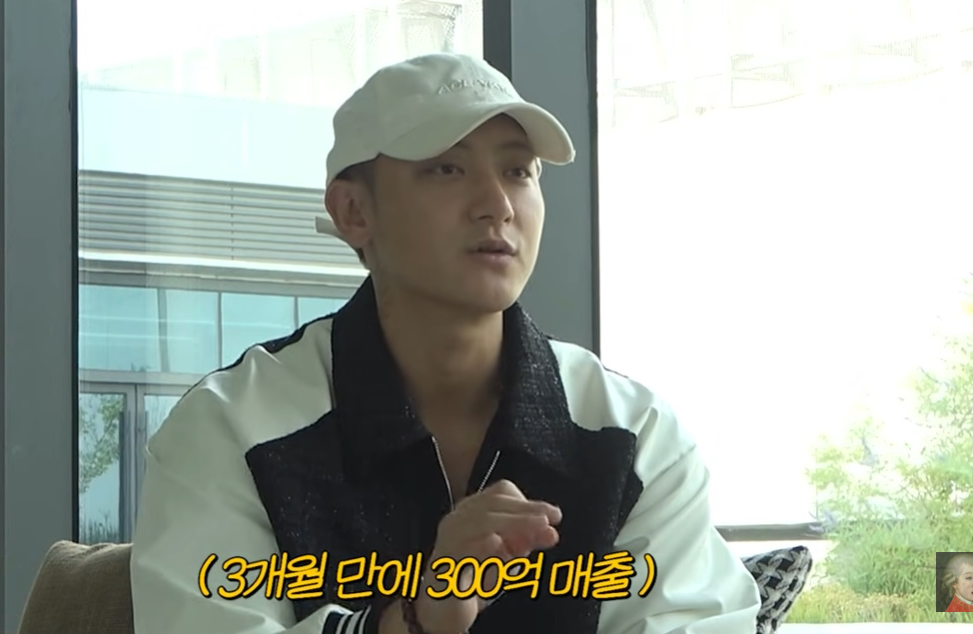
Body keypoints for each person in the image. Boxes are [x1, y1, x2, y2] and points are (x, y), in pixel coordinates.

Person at [129, 52, 761, 634]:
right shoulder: (232, 430)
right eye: (447, 168)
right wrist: (414, 619)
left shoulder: (635, 438)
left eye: (518, 170)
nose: (497, 204)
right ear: (354, 212)